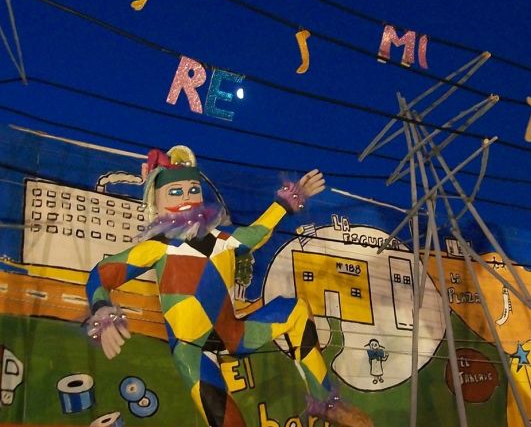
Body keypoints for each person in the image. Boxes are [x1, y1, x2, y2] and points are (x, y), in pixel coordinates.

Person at [84, 145, 373, 427]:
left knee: (295, 311)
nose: (187, 197)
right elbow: (102, 274)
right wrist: (102, 311)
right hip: (192, 351)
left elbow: (256, 234)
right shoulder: (158, 248)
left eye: (193, 189)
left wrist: (286, 202)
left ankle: (325, 402)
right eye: (175, 192)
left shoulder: (221, 238)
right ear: (156, 202)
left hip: (232, 333)